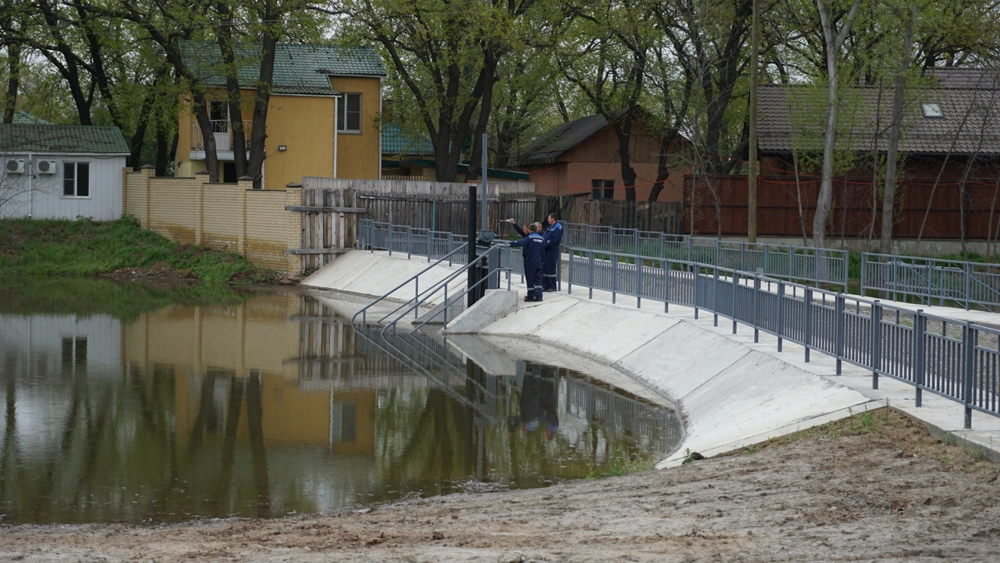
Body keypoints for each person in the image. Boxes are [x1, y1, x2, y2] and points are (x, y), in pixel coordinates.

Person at [508, 222, 544, 301]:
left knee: (530, 278)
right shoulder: (542, 239)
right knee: (538, 279)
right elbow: (543, 251)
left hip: (530, 261)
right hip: (539, 261)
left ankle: (530, 295)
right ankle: (539, 295)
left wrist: (511, 244)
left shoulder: (530, 238)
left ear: (530, 230)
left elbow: (521, 243)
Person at [541, 213, 563, 292]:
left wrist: (545, 244)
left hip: (552, 250)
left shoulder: (558, 227)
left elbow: (554, 240)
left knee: (550, 267)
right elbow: (545, 236)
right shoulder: (550, 227)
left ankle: (552, 286)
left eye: (549, 218)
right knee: (545, 268)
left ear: (553, 218)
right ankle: (545, 285)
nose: (548, 220)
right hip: (546, 250)